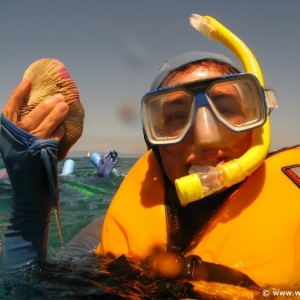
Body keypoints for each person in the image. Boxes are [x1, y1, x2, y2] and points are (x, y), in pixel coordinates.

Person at [0, 14, 300, 292]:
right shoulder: (109, 234)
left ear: (258, 121)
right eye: (176, 118)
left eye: (227, 109)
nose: (206, 137)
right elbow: (28, 288)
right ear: (153, 142)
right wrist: (31, 210)